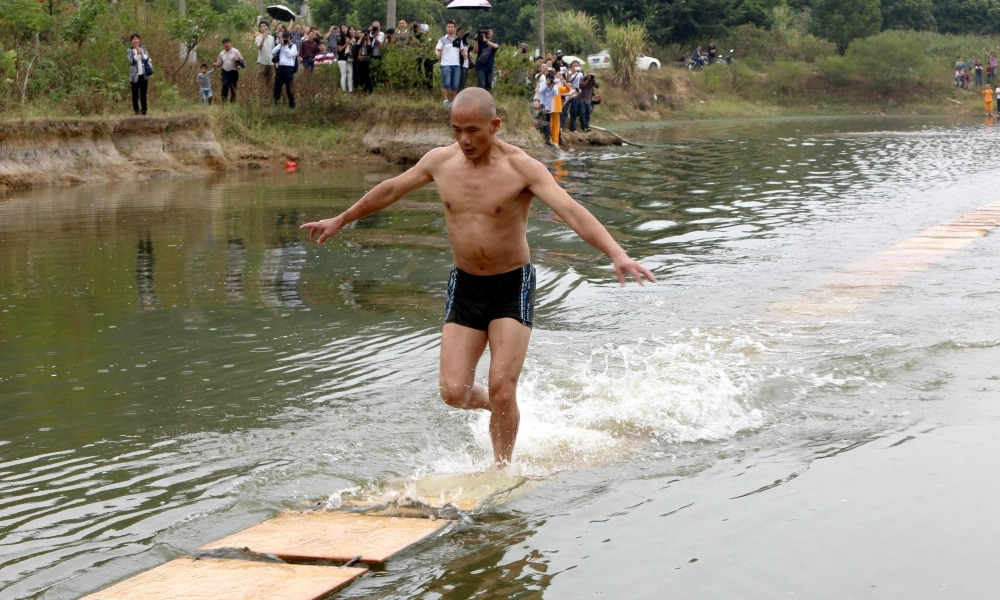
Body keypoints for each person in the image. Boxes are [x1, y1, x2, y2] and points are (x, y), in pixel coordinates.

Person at [300, 88, 655, 465]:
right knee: (454, 392)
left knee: (502, 386)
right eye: (456, 130)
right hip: (466, 284)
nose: (464, 139)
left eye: (473, 130)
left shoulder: (522, 168)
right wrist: (341, 219)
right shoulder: (440, 162)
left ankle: (502, 468)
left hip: (511, 285)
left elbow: (571, 210)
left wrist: (616, 253)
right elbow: (390, 190)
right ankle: (503, 407)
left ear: (494, 125)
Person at [436, 21, 467, 107]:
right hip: (446, 64)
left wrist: (464, 54)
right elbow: (437, 49)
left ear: (454, 28)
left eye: (452, 27)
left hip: (456, 64)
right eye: (448, 26)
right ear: (446, 28)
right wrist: (437, 53)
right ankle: (445, 101)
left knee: (455, 84)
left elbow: (462, 50)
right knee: (446, 83)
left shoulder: (458, 40)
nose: (450, 28)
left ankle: (453, 101)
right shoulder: (442, 39)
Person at [272, 31, 298, 108]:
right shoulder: (281, 45)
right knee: (277, 86)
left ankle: (291, 103)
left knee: (289, 87)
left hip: (289, 69)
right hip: (280, 68)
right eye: (284, 38)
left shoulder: (293, 46)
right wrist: (280, 44)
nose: (286, 40)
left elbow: (290, 54)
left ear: (291, 39)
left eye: (287, 39)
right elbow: (273, 51)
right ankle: (277, 102)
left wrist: (286, 46)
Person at [215, 38, 244, 103]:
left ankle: (233, 102)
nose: (226, 45)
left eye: (227, 43)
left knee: (233, 87)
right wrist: (216, 64)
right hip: (225, 72)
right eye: (225, 43)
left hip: (234, 71)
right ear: (223, 45)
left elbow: (242, 60)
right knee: (225, 85)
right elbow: (219, 63)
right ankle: (224, 101)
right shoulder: (221, 53)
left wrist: (238, 59)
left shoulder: (235, 51)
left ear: (230, 43)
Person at [126, 33, 150, 115]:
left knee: (143, 94)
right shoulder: (129, 50)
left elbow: (146, 58)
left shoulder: (143, 48)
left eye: (137, 39)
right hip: (134, 76)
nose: (135, 40)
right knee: (135, 95)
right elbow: (131, 61)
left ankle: (144, 111)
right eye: (134, 39)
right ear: (131, 41)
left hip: (143, 75)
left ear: (139, 40)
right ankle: (137, 111)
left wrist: (141, 53)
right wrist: (138, 54)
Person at [256, 21, 276, 87]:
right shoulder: (258, 38)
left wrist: (275, 62)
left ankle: (268, 92)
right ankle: (260, 93)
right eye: (261, 26)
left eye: (264, 26)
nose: (262, 28)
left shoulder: (272, 38)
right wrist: (263, 38)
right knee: (260, 81)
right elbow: (259, 48)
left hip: (271, 62)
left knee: (270, 82)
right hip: (262, 62)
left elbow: (273, 50)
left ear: (267, 27)